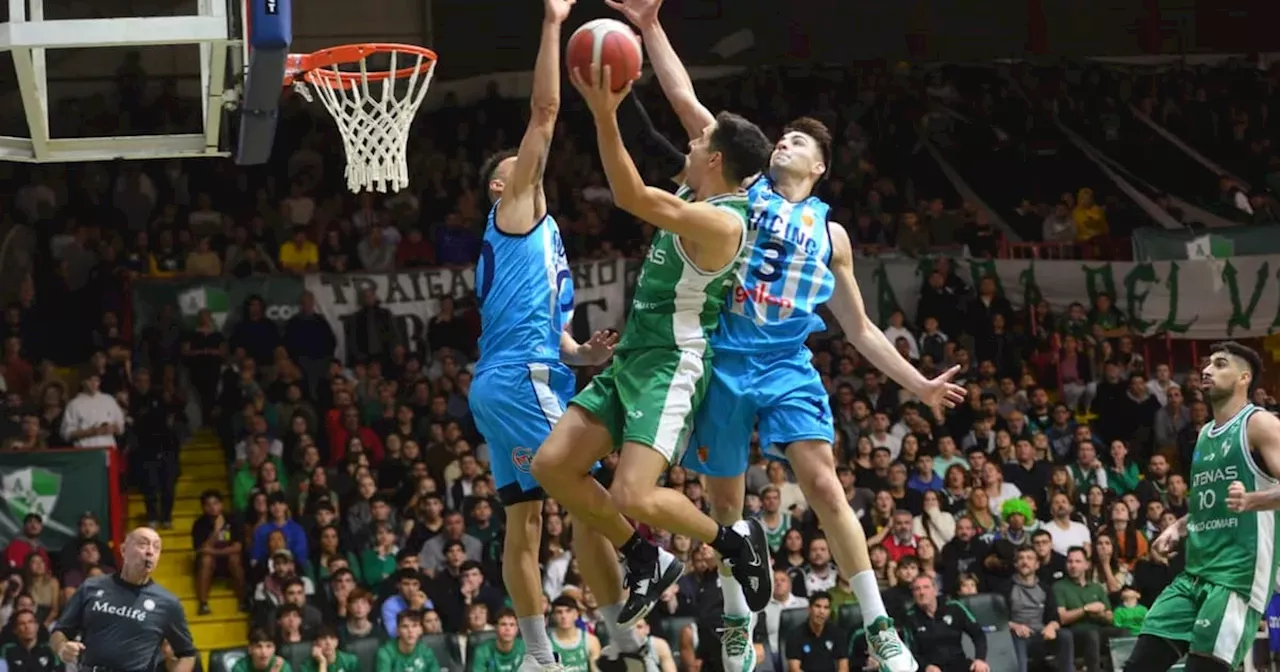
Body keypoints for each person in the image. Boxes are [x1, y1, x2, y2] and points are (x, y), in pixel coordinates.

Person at [598, 2, 965, 670]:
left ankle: (880, 626)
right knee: (727, 503)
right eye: (784, 139)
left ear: (821, 168)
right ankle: (740, 620)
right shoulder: (746, 190)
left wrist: (917, 384)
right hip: (722, 357)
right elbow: (685, 102)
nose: (786, 144)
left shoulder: (832, 236)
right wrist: (650, 25)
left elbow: (857, 328)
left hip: (787, 364)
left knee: (824, 485)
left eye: (801, 143)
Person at [530, 42, 775, 634]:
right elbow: (665, 125)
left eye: (697, 144)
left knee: (632, 496)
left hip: (673, 363)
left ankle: (736, 542)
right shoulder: (698, 193)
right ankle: (645, 556)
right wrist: (630, 64)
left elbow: (631, 195)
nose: (687, 144)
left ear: (715, 161)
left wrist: (604, 112)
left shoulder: (721, 220)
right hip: (634, 357)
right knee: (552, 465)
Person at [467, 0, 629, 669]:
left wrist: (582, 353)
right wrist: (554, 22)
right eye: (518, 164)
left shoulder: (545, 237)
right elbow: (543, 113)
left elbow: (556, 332)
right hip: (518, 378)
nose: (529, 163)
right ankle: (643, 572)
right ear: (502, 185)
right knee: (588, 488)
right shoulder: (514, 209)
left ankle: (538, 656)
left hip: (522, 374)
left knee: (525, 522)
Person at [1127, 341, 1280, 672]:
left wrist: (1254, 500)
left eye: (1220, 364)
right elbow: (1207, 504)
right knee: (1138, 666)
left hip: (1235, 579)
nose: (1207, 370)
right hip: (1194, 575)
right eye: (1207, 365)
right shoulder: (1206, 434)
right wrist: (1177, 527)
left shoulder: (1260, 424)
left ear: (1244, 377)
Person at [50, 526, 196, 672]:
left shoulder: (168, 603)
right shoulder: (91, 587)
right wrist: (62, 648)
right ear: (123, 550)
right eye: (143, 544)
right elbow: (59, 632)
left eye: (156, 547)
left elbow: (187, 654)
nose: (150, 551)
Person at [900, 576, 989, 672]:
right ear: (913, 594)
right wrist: (926, 667)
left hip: (959, 664)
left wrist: (980, 659)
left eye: (926, 587)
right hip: (931, 668)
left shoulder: (954, 607)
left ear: (935, 590)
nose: (922, 592)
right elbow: (908, 651)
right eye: (917, 589)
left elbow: (978, 634)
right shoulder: (909, 618)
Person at [1005, 547, 1072, 672]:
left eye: (1029, 558)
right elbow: (999, 618)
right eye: (1020, 559)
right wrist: (1015, 626)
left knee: (1065, 635)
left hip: (1041, 634)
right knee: (1017, 638)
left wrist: (1051, 626)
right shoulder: (1006, 588)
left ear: (1037, 565)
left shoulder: (1045, 588)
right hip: (1019, 635)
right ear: (1015, 564)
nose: (1025, 562)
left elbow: (1055, 617)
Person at [548, 597, 600, 672]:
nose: (564, 616)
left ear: (576, 614)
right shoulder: (547, 643)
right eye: (559, 612)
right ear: (553, 616)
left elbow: (596, 669)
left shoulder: (591, 641)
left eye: (568, 611)